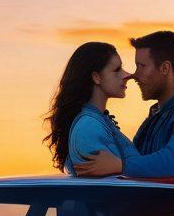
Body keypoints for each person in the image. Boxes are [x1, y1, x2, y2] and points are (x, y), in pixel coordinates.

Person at [75, 30, 174, 178]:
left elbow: (172, 163)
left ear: (165, 68)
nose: (134, 75)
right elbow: (138, 160)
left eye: (142, 66)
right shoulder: (157, 117)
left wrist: (120, 165)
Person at [45, 41, 142, 175]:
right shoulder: (88, 127)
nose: (127, 75)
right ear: (96, 77)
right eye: (117, 70)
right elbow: (107, 185)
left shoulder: (97, 121)